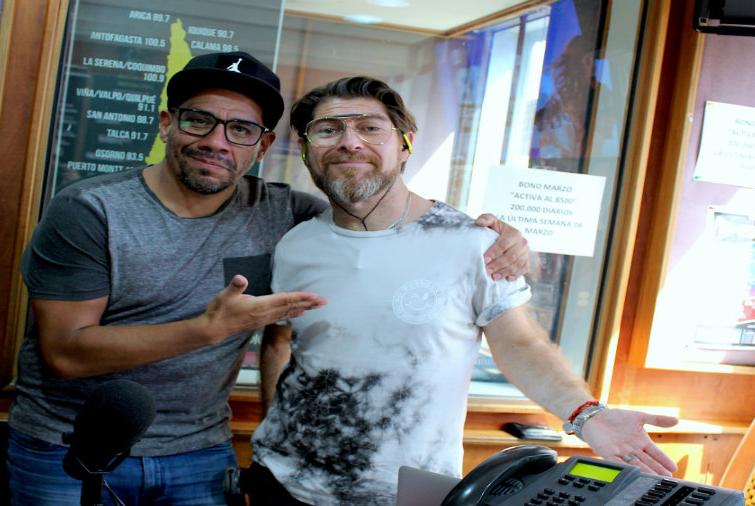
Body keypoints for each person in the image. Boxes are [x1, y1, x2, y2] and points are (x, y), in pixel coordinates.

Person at [6, 51, 529, 506]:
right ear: (166, 124)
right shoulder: (91, 210)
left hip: (200, 453)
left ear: (263, 146)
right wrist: (207, 330)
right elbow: (66, 353)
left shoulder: (285, 214)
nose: (217, 141)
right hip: (70, 448)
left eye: (240, 130)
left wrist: (496, 238)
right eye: (198, 121)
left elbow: (380, 217)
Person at [247, 76, 680, 506]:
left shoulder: (472, 243)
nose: (349, 141)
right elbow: (281, 341)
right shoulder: (295, 245)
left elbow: (520, 344)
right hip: (281, 485)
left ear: (405, 145)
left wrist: (586, 415)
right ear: (305, 150)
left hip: (407, 495)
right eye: (327, 130)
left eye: (370, 127)